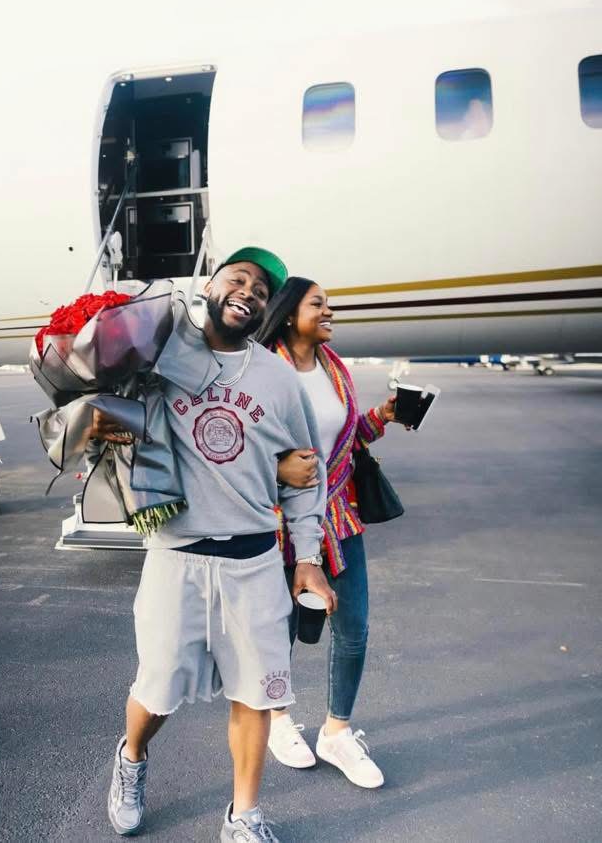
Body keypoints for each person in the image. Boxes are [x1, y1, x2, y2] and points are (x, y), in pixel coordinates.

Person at [89, 249, 336, 842]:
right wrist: (98, 424)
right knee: (157, 691)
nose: (249, 291)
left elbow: (308, 471)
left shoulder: (277, 378)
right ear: (209, 286)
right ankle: (131, 758)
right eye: (238, 278)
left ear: (266, 310)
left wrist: (307, 558)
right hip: (176, 558)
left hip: (253, 562)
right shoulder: (159, 355)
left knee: (257, 694)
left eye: (262, 290)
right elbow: (104, 424)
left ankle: (243, 816)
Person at [256, 276, 404, 790]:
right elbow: (236, 446)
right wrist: (277, 469)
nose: (329, 312)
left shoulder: (335, 369)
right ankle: (277, 718)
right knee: (279, 628)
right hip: (275, 520)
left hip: (339, 515)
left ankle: (336, 732)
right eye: (318, 304)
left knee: (354, 626)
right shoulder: (261, 370)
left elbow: (344, 439)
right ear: (288, 313)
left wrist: (382, 417)